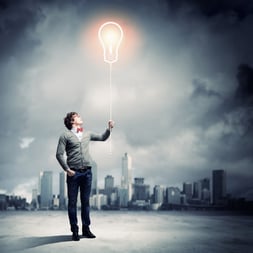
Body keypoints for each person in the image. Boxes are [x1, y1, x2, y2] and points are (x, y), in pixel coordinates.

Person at [56, 112, 114, 241]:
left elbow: (103, 137)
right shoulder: (65, 136)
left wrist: (109, 128)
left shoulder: (87, 134)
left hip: (87, 173)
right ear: (72, 121)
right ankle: (74, 230)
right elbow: (59, 154)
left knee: (85, 202)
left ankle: (86, 229)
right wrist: (66, 169)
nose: (80, 116)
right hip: (73, 173)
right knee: (72, 203)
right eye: (77, 116)